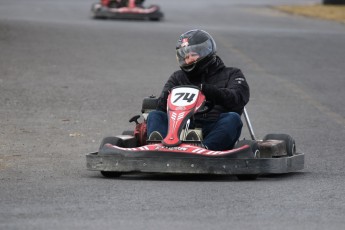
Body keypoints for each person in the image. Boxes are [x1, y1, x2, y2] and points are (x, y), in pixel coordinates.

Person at [146, 29, 250, 151]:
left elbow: (238, 99)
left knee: (233, 119)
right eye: (185, 57)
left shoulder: (232, 74)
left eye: (193, 55)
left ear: (206, 52)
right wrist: (166, 97)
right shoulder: (178, 77)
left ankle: (205, 148)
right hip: (180, 128)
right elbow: (161, 107)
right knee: (155, 115)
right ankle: (159, 147)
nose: (188, 60)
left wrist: (211, 92)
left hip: (214, 126)